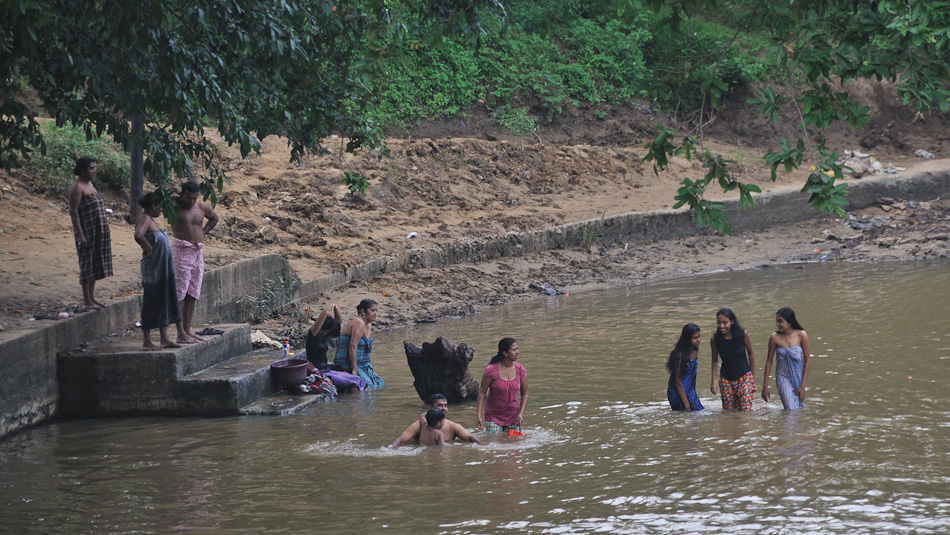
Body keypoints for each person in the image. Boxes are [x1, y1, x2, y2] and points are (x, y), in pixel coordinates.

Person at [133, 193, 184, 350]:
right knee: (151, 300)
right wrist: (148, 248)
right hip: (154, 269)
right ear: (153, 206)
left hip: (163, 269)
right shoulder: (146, 218)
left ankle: (164, 338)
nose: (162, 210)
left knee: (164, 298)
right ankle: (147, 341)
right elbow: (138, 235)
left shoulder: (151, 220)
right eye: (160, 207)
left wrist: (170, 196)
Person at [171, 182, 218, 344]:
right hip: (181, 252)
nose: (191, 201)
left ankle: (187, 329)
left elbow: (214, 218)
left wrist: (203, 232)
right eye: (187, 198)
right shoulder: (174, 205)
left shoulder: (202, 208)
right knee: (179, 294)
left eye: (194, 198)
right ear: (181, 195)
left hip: (197, 252)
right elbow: (157, 198)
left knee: (192, 292)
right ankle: (180, 332)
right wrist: (174, 197)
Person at [67, 157, 113, 310]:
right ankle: (86, 300)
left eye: (94, 168)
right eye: (91, 168)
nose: (94, 171)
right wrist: (80, 235)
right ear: (82, 170)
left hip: (98, 230)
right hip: (86, 231)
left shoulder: (90, 185)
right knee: (86, 265)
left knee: (94, 264)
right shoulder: (77, 187)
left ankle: (92, 298)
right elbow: (73, 212)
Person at [762, 307, 811, 410]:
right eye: (777, 321)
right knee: (790, 408)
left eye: (780, 321)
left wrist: (803, 385)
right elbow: (769, 361)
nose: (777, 324)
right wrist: (765, 386)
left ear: (790, 322)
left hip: (798, 376)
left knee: (799, 408)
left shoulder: (802, 335)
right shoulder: (774, 337)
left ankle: (798, 426)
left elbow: (807, 361)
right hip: (783, 377)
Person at [476, 338, 529, 433]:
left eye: (517, 349)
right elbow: (482, 393)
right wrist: (479, 415)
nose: (518, 352)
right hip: (493, 416)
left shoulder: (520, 370)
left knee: (514, 446)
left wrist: (521, 413)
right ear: (505, 353)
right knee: (496, 445)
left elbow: (525, 394)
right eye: (514, 350)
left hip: (514, 416)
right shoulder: (491, 370)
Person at [388, 393, 480, 448]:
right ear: (430, 407)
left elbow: (471, 438)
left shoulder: (453, 426)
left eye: (446, 405)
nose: (444, 408)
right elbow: (401, 440)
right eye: (440, 405)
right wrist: (389, 449)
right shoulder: (419, 425)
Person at [710, 308, 756, 411]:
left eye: (725, 323)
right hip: (726, 379)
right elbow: (714, 360)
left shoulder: (742, 334)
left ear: (732, 322)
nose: (721, 326)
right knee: (729, 413)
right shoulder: (715, 339)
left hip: (744, 377)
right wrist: (713, 379)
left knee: (746, 409)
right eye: (719, 323)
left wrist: (752, 377)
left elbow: (751, 354)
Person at [333, 299, 384, 388]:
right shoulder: (359, 323)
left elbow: (364, 349)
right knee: (368, 387)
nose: (375, 313)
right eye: (372, 310)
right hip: (348, 364)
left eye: (376, 311)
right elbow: (353, 346)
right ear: (363, 311)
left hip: (363, 364)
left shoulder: (368, 325)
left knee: (380, 384)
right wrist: (354, 370)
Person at [667, 323, 704, 412]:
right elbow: (678, 382)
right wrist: (686, 405)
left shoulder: (694, 351)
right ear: (687, 339)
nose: (698, 340)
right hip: (678, 392)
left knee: (699, 413)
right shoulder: (680, 355)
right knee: (687, 414)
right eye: (695, 338)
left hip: (690, 390)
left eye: (699, 337)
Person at [306, 304, 343, 371]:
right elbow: (324, 313)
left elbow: (338, 322)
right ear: (326, 332)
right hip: (317, 370)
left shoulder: (323, 337)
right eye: (331, 337)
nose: (330, 339)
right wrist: (329, 312)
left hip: (325, 367)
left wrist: (336, 310)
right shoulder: (314, 335)